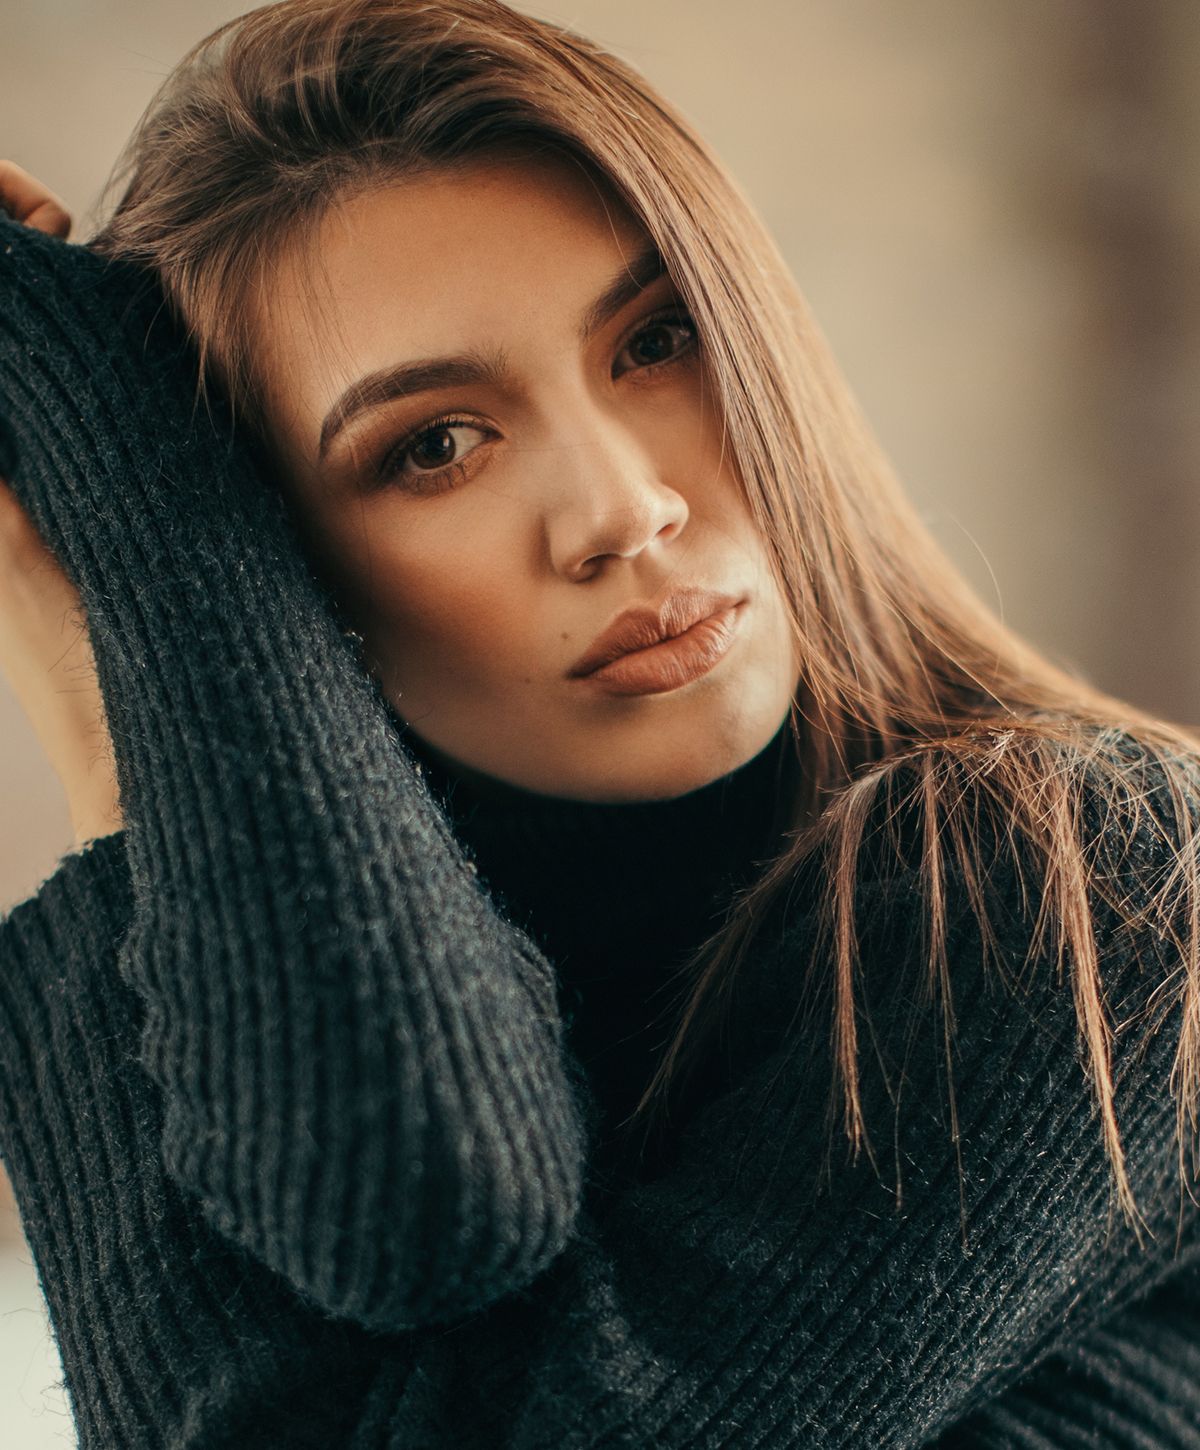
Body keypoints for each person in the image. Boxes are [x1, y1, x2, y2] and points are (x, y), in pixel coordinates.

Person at [1, 1, 1199, 1444]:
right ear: (275, 567)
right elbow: (422, 1208)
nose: (625, 509)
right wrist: (126, 664)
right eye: (435, 445)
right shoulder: (274, 1032)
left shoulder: (1093, 884)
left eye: (659, 338)